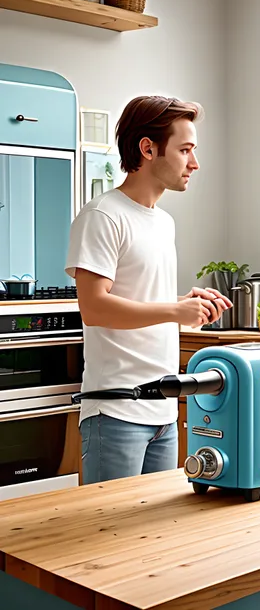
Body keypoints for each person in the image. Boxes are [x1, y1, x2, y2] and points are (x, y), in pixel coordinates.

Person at [65, 95, 232, 484]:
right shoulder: (102, 216)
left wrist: (184, 304)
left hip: (164, 412)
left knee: (153, 538)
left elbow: (138, 299)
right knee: (108, 537)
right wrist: (174, 312)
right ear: (148, 148)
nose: (194, 163)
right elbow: (95, 307)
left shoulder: (163, 222)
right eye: (185, 150)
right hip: (115, 412)